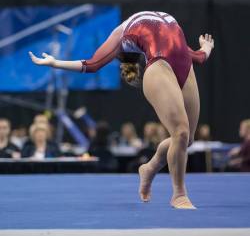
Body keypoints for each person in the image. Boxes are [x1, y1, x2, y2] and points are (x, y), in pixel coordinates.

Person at [29, 10, 214, 209]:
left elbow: (196, 56)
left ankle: (149, 168)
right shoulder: (121, 35)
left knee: (187, 139)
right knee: (181, 132)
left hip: (182, 65)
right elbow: (91, 64)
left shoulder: (130, 41)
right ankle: (179, 195)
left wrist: (205, 49)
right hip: (160, 66)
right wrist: (55, 63)